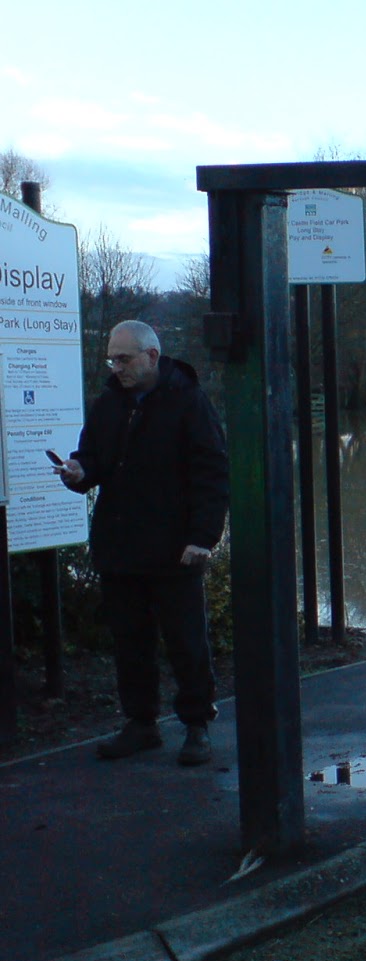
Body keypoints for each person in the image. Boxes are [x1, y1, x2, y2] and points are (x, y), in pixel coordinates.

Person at [56, 320, 229, 765]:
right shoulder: (108, 404)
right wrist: (78, 472)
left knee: (186, 642)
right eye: (112, 359)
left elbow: (211, 475)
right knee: (129, 643)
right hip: (120, 548)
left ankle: (196, 725)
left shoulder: (189, 402)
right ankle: (141, 724)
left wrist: (202, 538)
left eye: (125, 359)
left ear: (152, 356)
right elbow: (93, 459)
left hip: (175, 551)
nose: (117, 367)